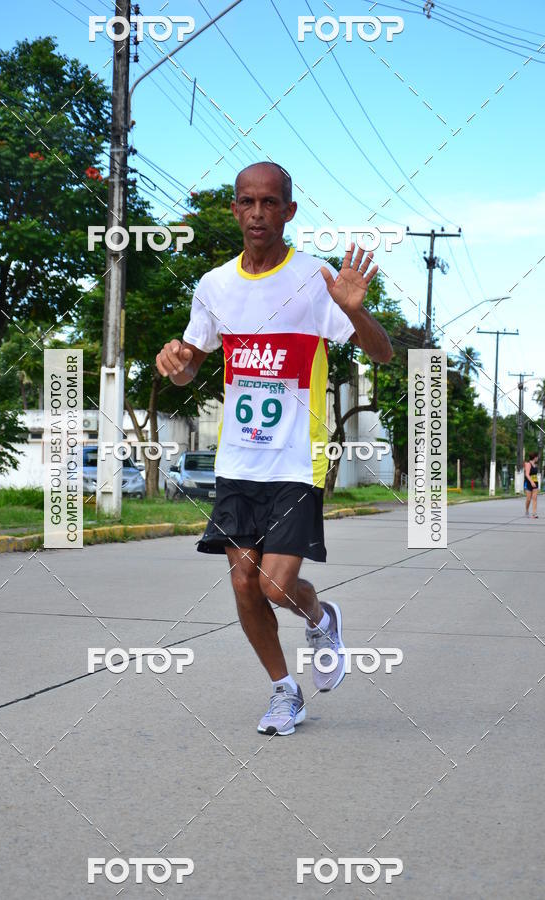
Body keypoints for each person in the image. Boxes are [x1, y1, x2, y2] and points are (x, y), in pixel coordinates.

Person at [156, 162, 393, 735]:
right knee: (241, 581)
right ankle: (284, 692)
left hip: (295, 460)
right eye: (247, 202)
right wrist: (177, 364)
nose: (257, 212)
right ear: (235, 210)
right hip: (239, 462)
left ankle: (320, 615)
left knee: (275, 584)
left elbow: (382, 354)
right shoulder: (214, 286)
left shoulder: (315, 279)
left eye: (270, 202)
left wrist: (355, 308)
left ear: (289, 211)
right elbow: (191, 365)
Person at [524, 452, 539, 518]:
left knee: (535, 498)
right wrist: (531, 482)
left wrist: (534, 482)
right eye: (537, 457)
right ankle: (527, 510)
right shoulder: (528, 464)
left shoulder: (536, 465)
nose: (538, 458)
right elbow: (527, 474)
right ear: (534, 457)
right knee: (528, 499)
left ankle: (534, 513)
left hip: (535, 483)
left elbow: (534, 475)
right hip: (528, 483)